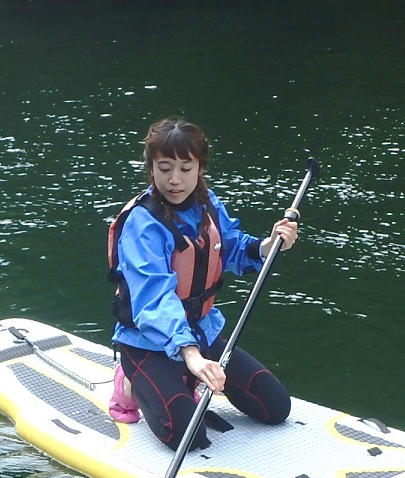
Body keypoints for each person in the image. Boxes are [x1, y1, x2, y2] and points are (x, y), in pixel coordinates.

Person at [107, 117, 298, 450]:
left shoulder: (207, 205)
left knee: (275, 408)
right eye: (164, 168)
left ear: (200, 168)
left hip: (200, 332)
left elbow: (234, 247)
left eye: (185, 167)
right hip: (148, 343)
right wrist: (192, 357)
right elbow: (155, 299)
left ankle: (184, 378)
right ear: (151, 168)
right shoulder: (142, 224)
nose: (175, 180)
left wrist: (270, 245)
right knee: (188, 437)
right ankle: (128, 384)